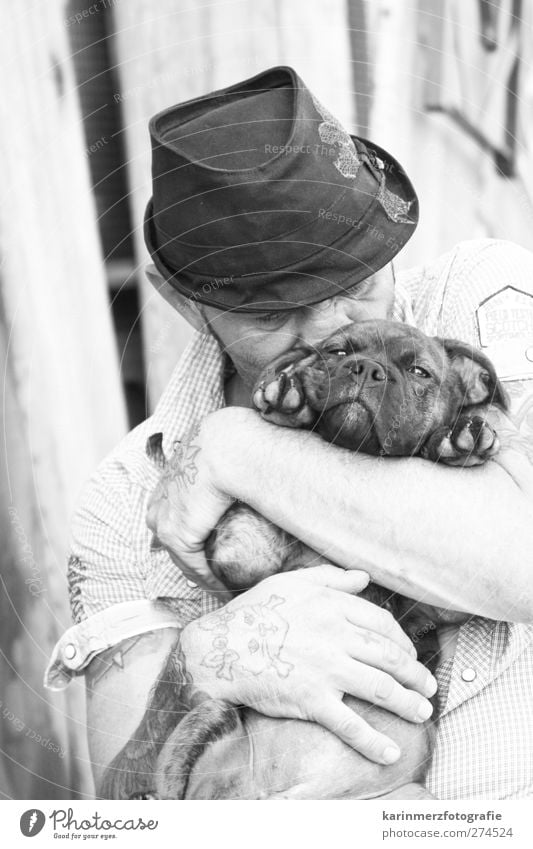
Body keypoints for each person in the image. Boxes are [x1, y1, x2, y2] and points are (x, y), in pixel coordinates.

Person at [45, 66, 533, 799]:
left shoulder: (483, 302)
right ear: (183, 301)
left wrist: (240, 451)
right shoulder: (125, 495)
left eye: (355, 285)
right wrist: (203, 658)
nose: (331, 332)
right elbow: (124, 806)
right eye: (271, 314)